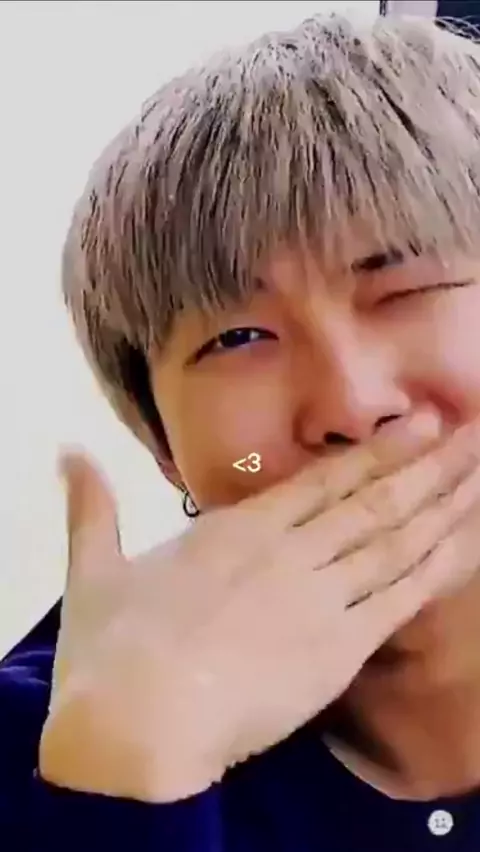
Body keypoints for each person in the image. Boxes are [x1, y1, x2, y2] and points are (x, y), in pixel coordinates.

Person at [3, 8, 480, 850]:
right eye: (236, 339)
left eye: (406, 290)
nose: (351, 406)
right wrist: (117, 787)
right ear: (165, 450)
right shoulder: (45, 748)